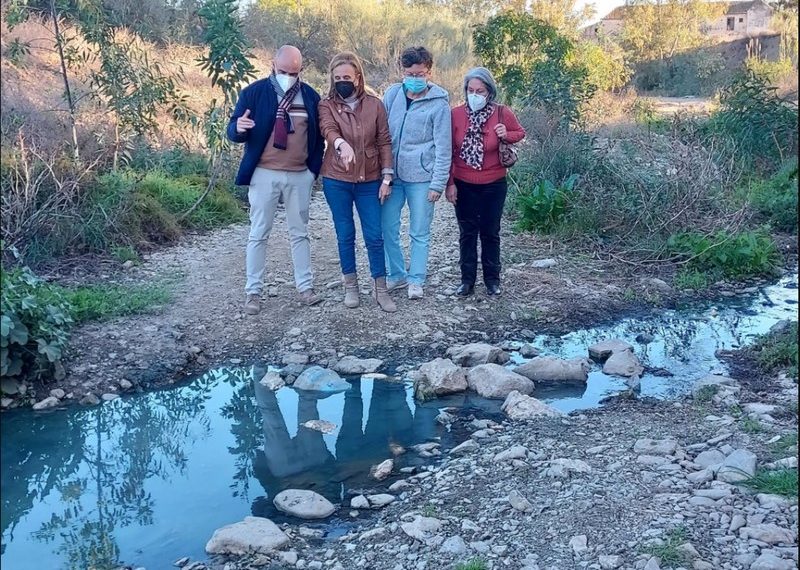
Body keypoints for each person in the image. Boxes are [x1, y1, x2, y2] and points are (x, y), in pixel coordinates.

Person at [227, 45, 325, 315]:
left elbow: (319, 137)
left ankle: (305, 288)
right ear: (273, 65)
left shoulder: (310, 97)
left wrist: (312, 171)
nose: (288, 76)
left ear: (301, 71)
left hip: (299, 175)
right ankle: (253, 292)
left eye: (293, 72)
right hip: (265, 172)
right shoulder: (254, 93)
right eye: (283, 71)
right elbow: (234, 128)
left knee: (300, 233)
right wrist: (238, 128)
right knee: (258, 233)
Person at [318, 51, 397, 312]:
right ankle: (350, 286)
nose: (342, 81)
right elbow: (328, 129)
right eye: (337, 77)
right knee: (345, 234)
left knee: (374, 235)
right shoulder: (326, 105)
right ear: (332, 78)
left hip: (370, 179)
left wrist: (387, 176)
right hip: (336, 178)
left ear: (358, 77)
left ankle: (380, 289)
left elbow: (384, 141)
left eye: (347, 77)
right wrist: (340, 144)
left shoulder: (375, 104)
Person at [445, 67, 525, 296]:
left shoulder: (502, 113)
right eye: (471, 90)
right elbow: (449, 150)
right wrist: (450, 183)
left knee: (490, 231)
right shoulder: (456, 115)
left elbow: (519, 132)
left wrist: (505, 134)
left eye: (480, 91)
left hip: (494, 182)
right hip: (463, 181)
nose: (475, 95)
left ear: (490, 92)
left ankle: (492, 280)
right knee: (467, 231)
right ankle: (466, 280)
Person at [382, 46, 452, 300]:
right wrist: (384, 173)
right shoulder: (391, 95)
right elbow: (382, 136)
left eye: (420, 73)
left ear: (429, 72)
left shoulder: (439, 104)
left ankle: (416, 279)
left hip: (422, 178)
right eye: (410, 73)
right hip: (392, 176)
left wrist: (438, 184)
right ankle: (397, 273)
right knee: (386, 226)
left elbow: (444, 147)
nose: (415, 78)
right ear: (403, 71)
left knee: (419, 230)